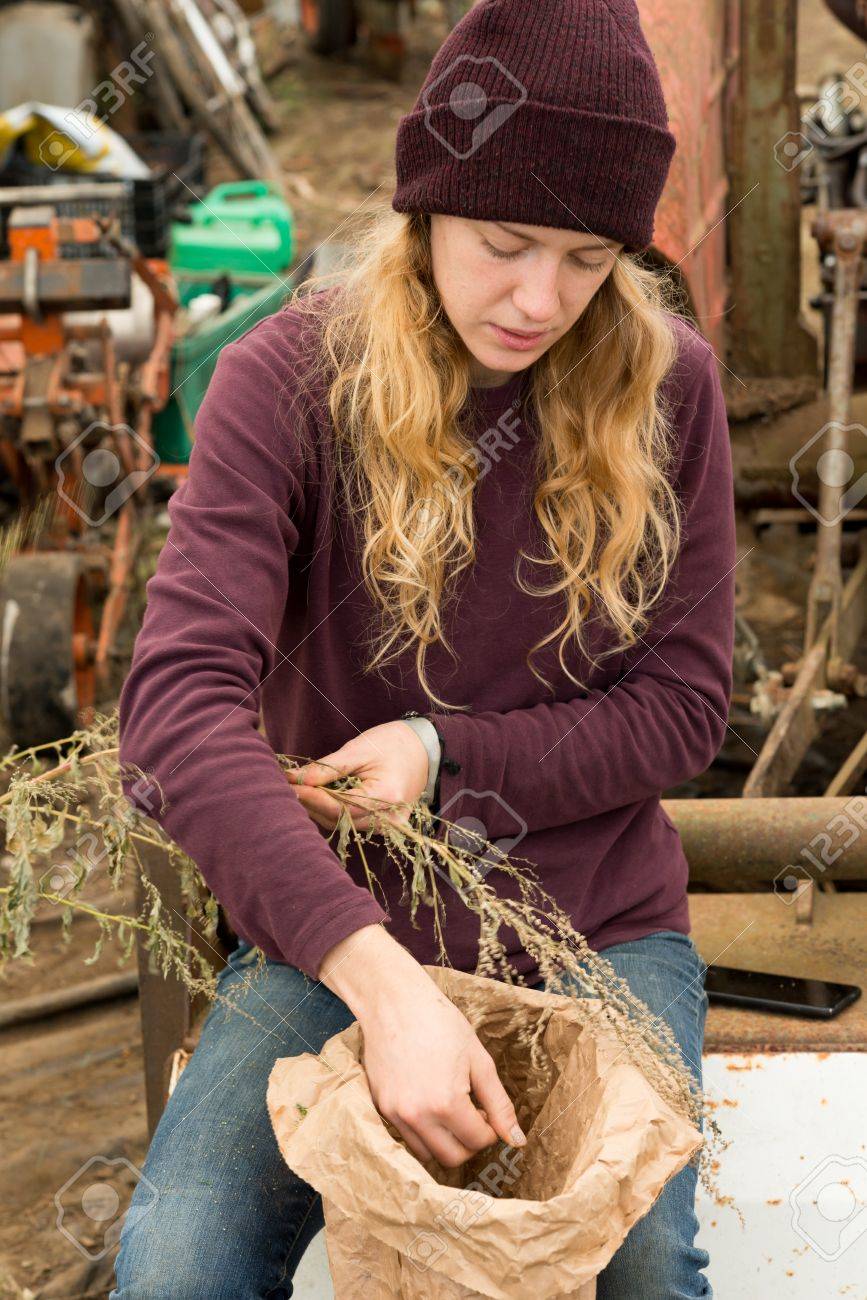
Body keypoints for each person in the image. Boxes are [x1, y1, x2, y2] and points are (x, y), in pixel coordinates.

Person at [112, 0, 734, 1295]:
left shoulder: (672, 387)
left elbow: (683, 707)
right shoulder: (285, 382)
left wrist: (439, 753)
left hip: (601, 932)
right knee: (177, 1260)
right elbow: (176, 711)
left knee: (643, 1271)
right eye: (506, 243)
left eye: (586, 258)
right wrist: (382, 982)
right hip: (338, 930)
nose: (540, 299)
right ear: (427, 205)